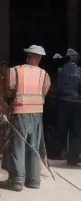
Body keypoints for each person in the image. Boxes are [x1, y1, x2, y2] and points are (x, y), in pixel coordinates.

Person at [5, 45, 50, 190]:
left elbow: (9, 89)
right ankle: (33, 180)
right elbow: (45, 89)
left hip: (20, 111)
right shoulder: (44, 74)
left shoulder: (15, 71)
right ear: (39, 59)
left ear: (28, 56)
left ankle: (18, 180)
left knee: (19, 145)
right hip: (37, 113)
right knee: (34, 146)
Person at [54, 48, 81, 167]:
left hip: (63, 102)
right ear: (74, 58)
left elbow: (58, 87)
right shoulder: (79, 70)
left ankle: (58, 153)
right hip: (76, 103)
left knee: (61, 129)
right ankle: (73, 158)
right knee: (76, 131)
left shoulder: (61, 70)